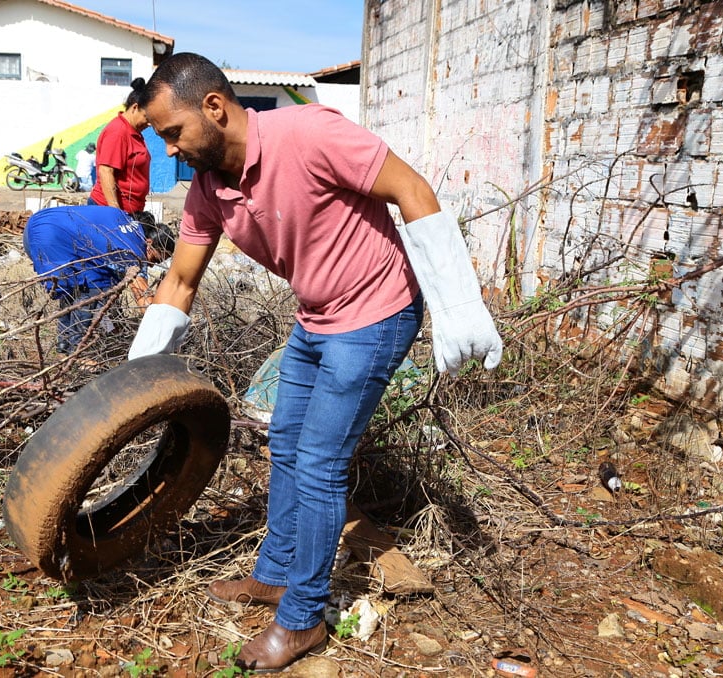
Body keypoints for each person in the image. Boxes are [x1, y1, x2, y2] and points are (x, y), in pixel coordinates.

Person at [127, 53, 502, 672]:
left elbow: (412, 190)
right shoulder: (207, 189)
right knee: (285, 443)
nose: (169, 150)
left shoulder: (312, 134)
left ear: (215, 108)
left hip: (377, 313)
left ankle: (302, 619)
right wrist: (136, 372)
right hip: (316, 316)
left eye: (173, 133)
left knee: (321, 464)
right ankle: (274, 575)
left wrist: (459, 303)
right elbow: (181, 281)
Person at [23, 205, 174, 354]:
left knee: (78, 284)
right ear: (149, 243)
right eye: (154, 259)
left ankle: (65, 344)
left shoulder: (128, 225)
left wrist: (114, 326)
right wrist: (165, 330)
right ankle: (77, 353)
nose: (152, 265)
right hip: (49, 235)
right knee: (92, 287)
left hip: (39, 223)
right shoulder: (133, 248)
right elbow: (144, 302)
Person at [89, 77, 151, 214]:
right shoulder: (118, 132)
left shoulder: (134, 132)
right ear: (135, 108)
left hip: (130, 211)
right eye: (147, 118)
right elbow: (106, 171)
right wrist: (114, 213)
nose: (150, 123)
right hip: (107, 211)